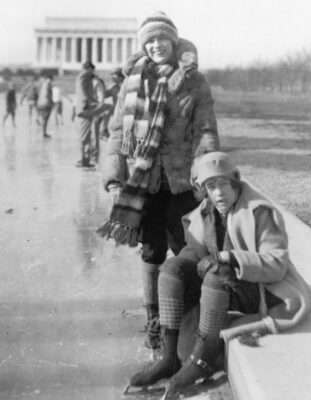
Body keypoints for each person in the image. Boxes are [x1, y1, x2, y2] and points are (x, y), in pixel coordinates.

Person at [125, 151, 311, 398]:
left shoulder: (259, 211)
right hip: (229, 287)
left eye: (223, 184)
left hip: (264, 291)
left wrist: (230, 257)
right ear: (203, 190)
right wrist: (168, 303)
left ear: (235, 183)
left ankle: (202, 359)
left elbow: (276, 264)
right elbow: (190, 255)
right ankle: (169, 357)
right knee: (172, 269)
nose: (218, 193)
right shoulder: (205, 212)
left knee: (216, 273)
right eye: (210, 186)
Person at [97, 11, 219, 352]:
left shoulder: (195, 81)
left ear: (173, 41)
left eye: (161, 39)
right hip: (145, 184)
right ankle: (155, 321)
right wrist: (115, 180)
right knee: (151, 252)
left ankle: (189, 320)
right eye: (149, 40)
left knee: (189, 251)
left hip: (183, 184)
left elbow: (205, 130)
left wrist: (206, 174)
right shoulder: (131, 81)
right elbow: (117, 133)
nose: (155, 46)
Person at [99, 67, 125, 140]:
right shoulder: (114, 87)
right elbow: (103, 95)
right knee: (106, 111)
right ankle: (104, 130)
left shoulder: (127, 85)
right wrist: (100, 84)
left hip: (126, 110)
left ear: (120, 77)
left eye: (114, 76)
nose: (112, 78)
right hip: (117, 111)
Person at [37, 74, 54, 138]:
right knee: (46, 119)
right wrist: (51, 101)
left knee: (43, 118)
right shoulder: (48, 84)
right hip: (47, 103)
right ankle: (44, 133)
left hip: (40, 103)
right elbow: (47, 94)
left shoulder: (43, 84)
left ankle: (43, 132)